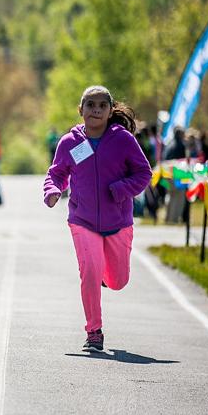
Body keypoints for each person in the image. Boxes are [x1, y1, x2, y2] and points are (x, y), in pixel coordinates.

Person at [43, 85, 151, 352]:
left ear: (110, 110)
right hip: (83, 219)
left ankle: (104, 273)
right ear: (81, 110)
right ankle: (94, 332)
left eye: (102, 105)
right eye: (90, 105)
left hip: (118, 221)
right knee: (89, 271)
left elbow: (144, 173)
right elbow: (56, 173)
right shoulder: (70, 142)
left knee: (118, 281)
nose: (96, 110)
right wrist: (53, 190)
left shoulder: (123, 139)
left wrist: (120, 190)